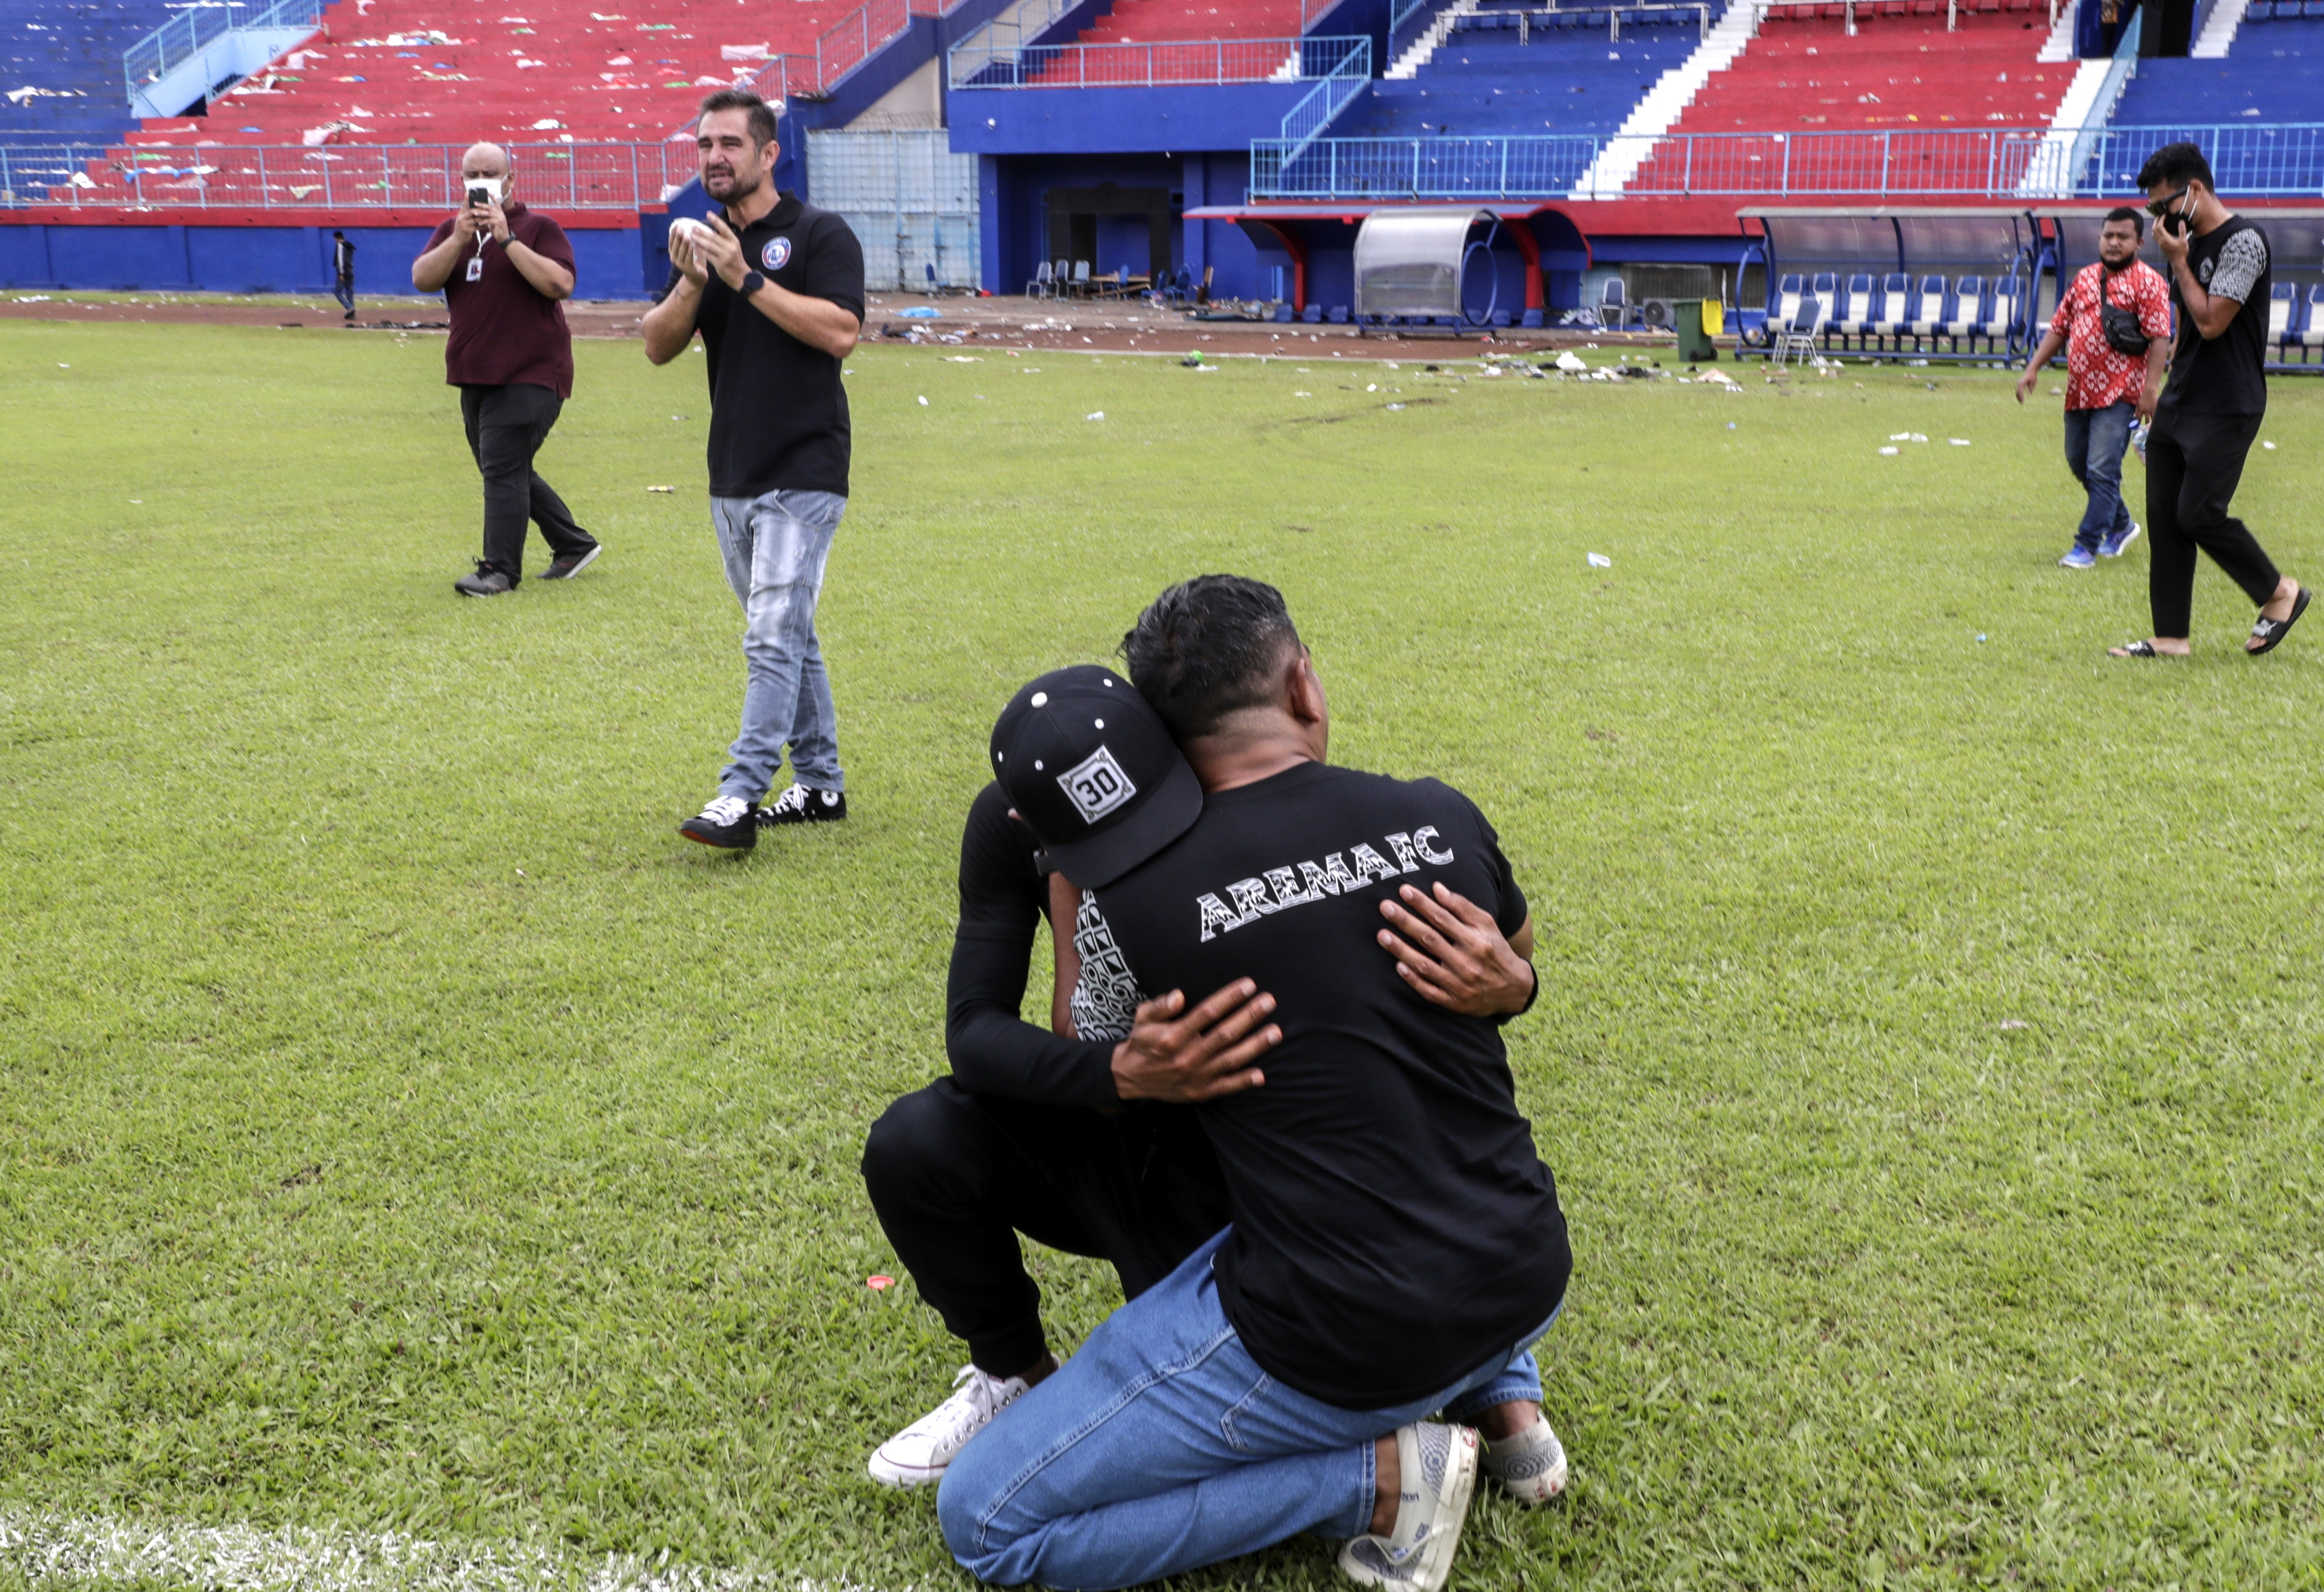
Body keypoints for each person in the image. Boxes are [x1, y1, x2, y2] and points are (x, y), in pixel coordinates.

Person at [936, 576, 1571, 1592]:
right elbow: (1511, 959)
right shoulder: (1438, 814)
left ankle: (1378, 1477)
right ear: (1304, 685)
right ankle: (1501, 1384)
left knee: (987, 1516)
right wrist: (1521, 983)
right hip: (1524, 1267)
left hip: (1339, 1325)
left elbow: (1077, 1037)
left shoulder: (1139, 898)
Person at [859, 667, 1538, 1491]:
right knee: (915, 1140)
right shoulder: (1018, 833)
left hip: (1247, 1140)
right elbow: (981, 1032)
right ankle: (1015, 1374)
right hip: (1123, 1102)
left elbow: (1380, 1032)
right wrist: (1120, 1067)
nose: (1137, 846)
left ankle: (1496, 1381)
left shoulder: (1229, 812)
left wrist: (1517, 986)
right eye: (1094, 836)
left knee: (1370, 1145)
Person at [641, 90, 867, 850]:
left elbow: (840, 333)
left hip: (804, 470)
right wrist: (697, 281)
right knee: (787, 633)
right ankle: (820, 784)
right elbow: (656, 347)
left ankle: (740, 795)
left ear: (769, 154)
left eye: (730, 144)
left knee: (770, 635)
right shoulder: (703, 247)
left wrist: (747, 278)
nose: (714, 157)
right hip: (731, 474)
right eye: (704, 144)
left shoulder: (818, 234)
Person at [2109, 142, 2313, 659]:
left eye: (2163, 205)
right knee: (2163, 516)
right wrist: (2156, 382)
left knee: (2198, 513)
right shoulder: (2189, 241)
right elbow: (2189, 333)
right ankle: (2171, 636)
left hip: (2229, 403)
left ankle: (2279, 591)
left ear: (2194, 190)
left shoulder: (2244, 242)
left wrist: (2178, 262)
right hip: (2183, 398)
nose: (2158, 218)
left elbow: (2211, 320)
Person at [411, 143, 601, 600]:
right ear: (461, 182)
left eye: (491, 174)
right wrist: (459, 238)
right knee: (503, 467)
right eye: (472, 175)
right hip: (474, 374)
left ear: (511, 180)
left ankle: (498, 570)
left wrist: (506, 238)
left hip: (531, 372)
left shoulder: (538, 228)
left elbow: (561, 284)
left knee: (501, 467)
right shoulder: (450, 231)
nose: (482, 182)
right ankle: (573, 545)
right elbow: (422, 278)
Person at [2015, 207, 2172, 570]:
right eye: (2108, 236)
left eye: (2123, 237)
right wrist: (2033, 367)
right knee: (2078, 461)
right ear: (2100, 238)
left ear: (2139, 241)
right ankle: (2120, 524)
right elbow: (2059, 326)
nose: (2114, 243)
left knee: (2102, 468)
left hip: (2121, 393)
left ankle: (2085, 545)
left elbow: (2160, 337)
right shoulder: (2085, 278)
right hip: (2080, 391)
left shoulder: (2148, 282)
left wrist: (2150, 389)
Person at [331, 230, 357, 324]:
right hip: (351, 271)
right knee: (349, 292)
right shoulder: (349, 246)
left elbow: (341, 261)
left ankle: (350, 308)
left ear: (337, 238)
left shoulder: (340, 246)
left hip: (344, 272)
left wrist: (341, 273)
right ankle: (352, 314)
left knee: (337, 292)